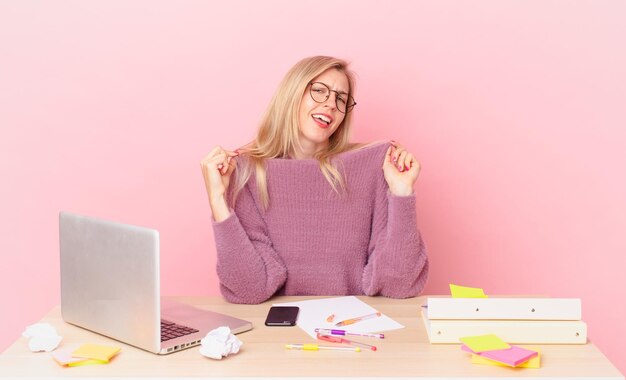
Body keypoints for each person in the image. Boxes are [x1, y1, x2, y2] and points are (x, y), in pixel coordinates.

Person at [200, 56, 428, 304]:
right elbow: (250, 290)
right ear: (292, 94)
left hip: (352, 332)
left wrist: (402, 193)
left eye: (340, 99)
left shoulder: (372, 166)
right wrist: (218, 202)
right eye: (319, 91)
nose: (331, 104)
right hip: (277, 334)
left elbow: (400, 284)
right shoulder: (248, 172)